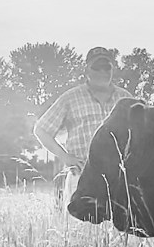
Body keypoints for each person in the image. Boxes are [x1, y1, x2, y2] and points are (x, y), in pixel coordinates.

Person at [33, 46, 133, 204]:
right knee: (78, 227)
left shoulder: (126, 99)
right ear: (87, 71)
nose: (102, 72)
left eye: (106, 67)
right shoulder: (70, 98)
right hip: (82, 176)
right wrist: (65, 157)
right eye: (97, 67)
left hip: (119, 179)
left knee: (119, 227)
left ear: (112, 70)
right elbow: (41, 130)